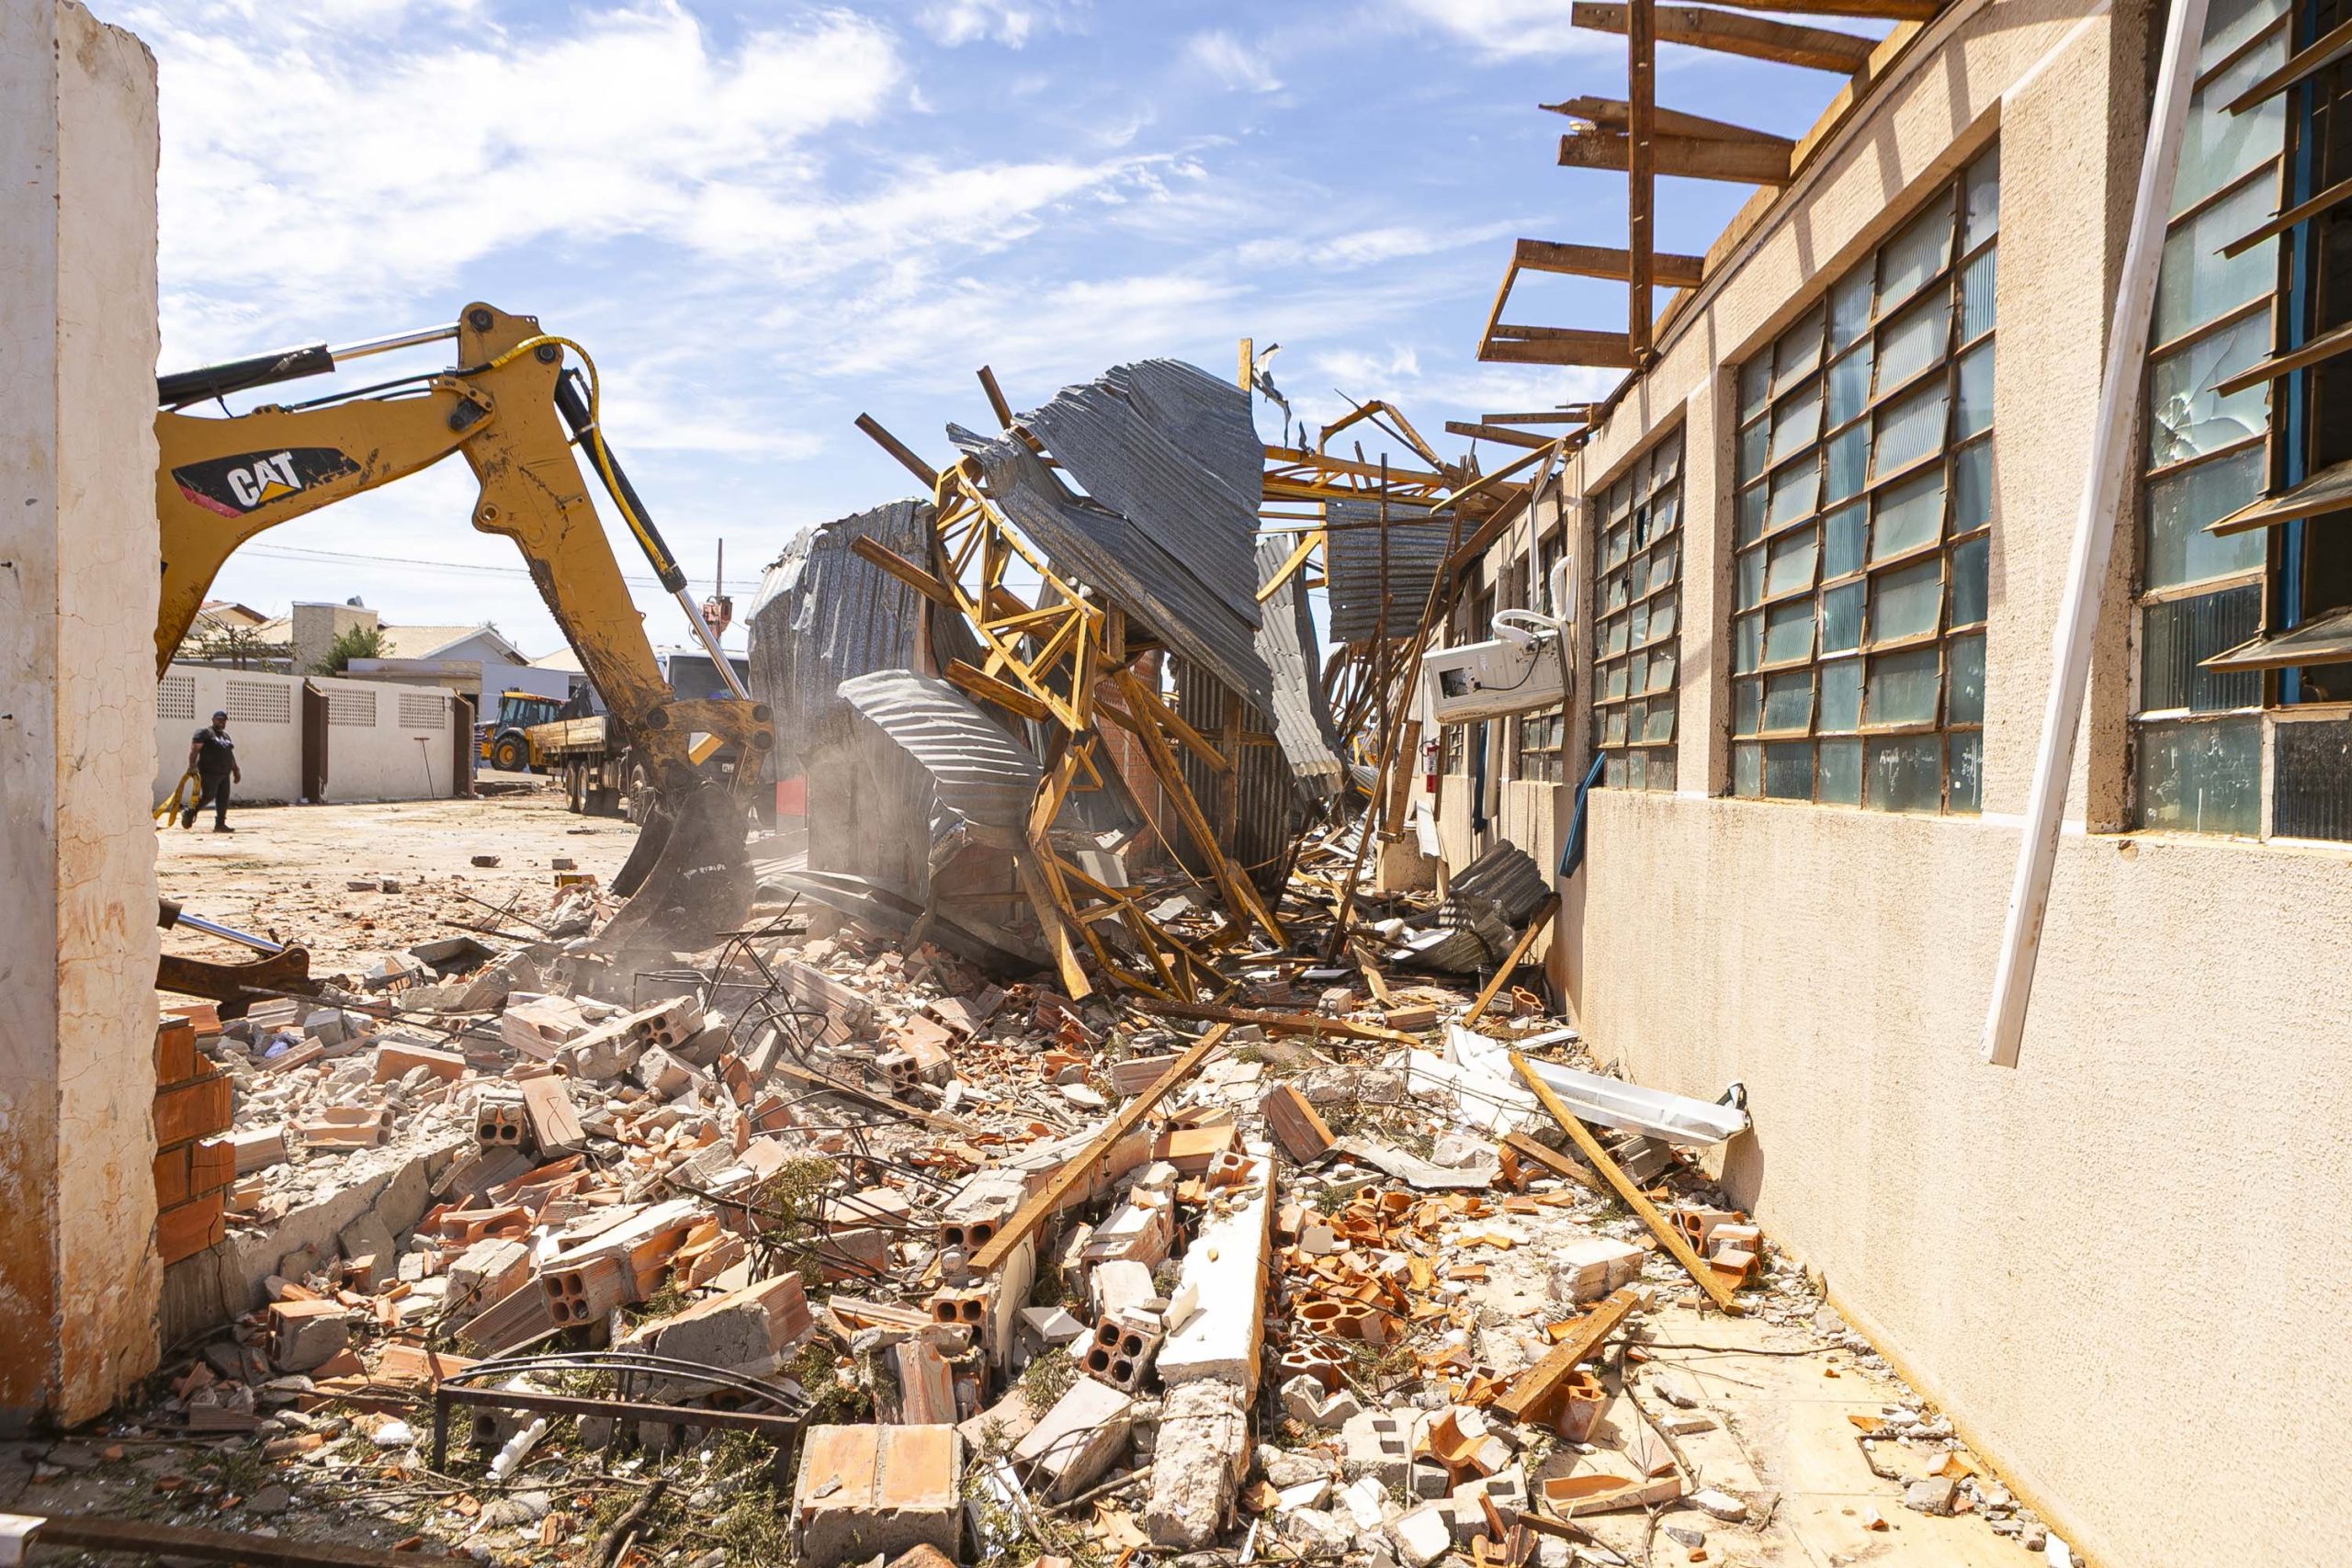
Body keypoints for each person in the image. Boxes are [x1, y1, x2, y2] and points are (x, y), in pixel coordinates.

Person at [184, 709, 240, 832]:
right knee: (209, 795)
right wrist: (192, 765)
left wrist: (235, 769)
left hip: (225, 773)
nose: (221, 722)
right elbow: (195, 749)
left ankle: (220, 824)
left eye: (224, 720)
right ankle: (191, 811)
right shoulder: (205, 733)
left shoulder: (225, 736)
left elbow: (229, 753)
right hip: (209, 772)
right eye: (219, 719)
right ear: (213, 720)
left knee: (223, 798)